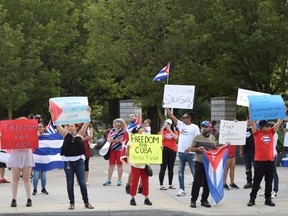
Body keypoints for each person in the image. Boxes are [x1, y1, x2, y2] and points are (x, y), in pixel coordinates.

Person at [57, 122, 94, 210]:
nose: (70, 128)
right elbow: (57, 123)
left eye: (72, 126)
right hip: (68, 162)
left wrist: (87, 112)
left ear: (76, 127)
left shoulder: (80, 134)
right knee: (70, 183)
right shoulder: (65, 134)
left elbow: (86, 122)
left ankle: (86, 202)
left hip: (79, 162)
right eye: (69, 126)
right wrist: (52, 112)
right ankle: (72, 203)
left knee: (82, 182)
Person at [247, 117, 283, 207]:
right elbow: (253, 123)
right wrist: (251, 112)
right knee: (256, 181)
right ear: (262, 127)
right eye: (267, 126)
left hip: (270, 161)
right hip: (259, 162)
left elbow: (279, 123)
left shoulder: (271, 132)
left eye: (268, 125)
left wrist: (282, 114)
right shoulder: (257, 133)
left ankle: (268, 199)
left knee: (269, 181)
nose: (269, 127)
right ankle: (252, 198)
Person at [165, 107, 200, 196]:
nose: (183, 119)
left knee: (194, 172)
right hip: (181, 153)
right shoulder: (181, 125)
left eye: (185, 118)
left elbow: (198, 139)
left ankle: (197, 187)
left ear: (189, 118)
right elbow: (171, 116)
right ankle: (181, 189)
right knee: (180, 172)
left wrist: (191, 148)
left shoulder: (194, 127)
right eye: (183, 118)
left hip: (191, 153)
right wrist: (166, 107)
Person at [185, 121, 217, 208]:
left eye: (206, 126)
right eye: (202, 126)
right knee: (197, 182)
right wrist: (198, 149)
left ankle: (204, 200)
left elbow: (214, 149)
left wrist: (224, 147)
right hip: (199, 162)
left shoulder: (212, 138)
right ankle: (193, 200)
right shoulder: (197, 138)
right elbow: (191, 149)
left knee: (207, 183)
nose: (204, 128)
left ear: (210, 128)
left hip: (209, 164)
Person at [7, 117, 35, 207]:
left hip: (27, 155)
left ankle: (29, 198)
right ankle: (13, 199)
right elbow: (5, 137)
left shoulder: (30, 132)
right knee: (15, 179)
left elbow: (36, 136)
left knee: (27, 179)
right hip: (16, 155)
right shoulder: (13, 132)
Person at [125, 125, 152, 206]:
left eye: (142, 130)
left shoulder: (146, 139)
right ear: (136, 132)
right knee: (135, 181)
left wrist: (159, 148)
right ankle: (132, 198)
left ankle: (146, 198)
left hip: (144, 164)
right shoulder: (131, 141)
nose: (142, 132)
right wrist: (128, 148)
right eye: (140, 130)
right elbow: (126, 154)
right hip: (135, 164)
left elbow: (153, 148)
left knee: (145, 181)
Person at [103, 118, 129, 186]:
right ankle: (109, 179)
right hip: (112, 149)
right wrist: (111, 140)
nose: (117, 125)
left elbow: (126, 140)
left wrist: (119, 141)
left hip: (120, 149)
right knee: (111, 164)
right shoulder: (112, 130)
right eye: (116, 123)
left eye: (119, 123)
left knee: (119, 165)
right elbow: (108, 138)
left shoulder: (124, 131)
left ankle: (119, 180)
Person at [159, 119, 178, 190]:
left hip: (172, 150)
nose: (167, 125)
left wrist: (170, 130)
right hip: (164, 150)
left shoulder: (174, 131)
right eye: (166, 123)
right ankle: (161, 184)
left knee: (171, 168)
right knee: (163, 167)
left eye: (168, 124)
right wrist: (162, 129)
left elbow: (175, 138)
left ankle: (170, 184)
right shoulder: (163, 131)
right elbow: (161, 138)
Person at [32, 122, 49, 195]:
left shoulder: (47, 136)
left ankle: (43, 188)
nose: (40, 128)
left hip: (44, 158)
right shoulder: (34, 136)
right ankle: (35, 189)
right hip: (36, 158)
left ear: (44, 128)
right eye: (38, 127)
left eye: (41, 127)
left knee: (44, 175)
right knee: (35, 175)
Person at [240, 118, 255, 189]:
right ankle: (249, 182)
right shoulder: (243, 130)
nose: (248, 123)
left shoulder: (255, 129)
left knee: (256, 168)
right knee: (248, 168)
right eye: (247, 121)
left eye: (250, 121)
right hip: (246, 152)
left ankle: (256, 182)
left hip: (255, 152)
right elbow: (241, 141)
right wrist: (241, 150)